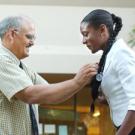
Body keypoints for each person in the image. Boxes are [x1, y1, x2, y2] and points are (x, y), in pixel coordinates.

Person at [0, 16, 97, 135]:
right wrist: (76, 82)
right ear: (11, 34)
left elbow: (51, 95)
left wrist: (81, 81)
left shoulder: (23, 69)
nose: (32, 43)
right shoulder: (1, 60)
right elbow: (29, 95)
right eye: (29, 37)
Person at [80, 9, 135, 135]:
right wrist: (108, 98)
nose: (83, 41)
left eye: (86, 34)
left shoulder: (121, 53)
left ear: (102, 30)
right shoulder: (110, 54)